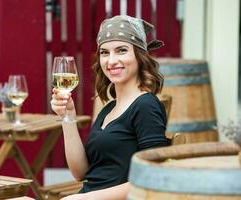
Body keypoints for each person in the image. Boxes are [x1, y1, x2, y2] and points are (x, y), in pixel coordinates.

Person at [50, 15, 169, 200]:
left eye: (121, 50)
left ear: (140, 56)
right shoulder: (110, 109)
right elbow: (80, 173)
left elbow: (154, 177)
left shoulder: (145, 106)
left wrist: (84, 199)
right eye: (104, 52)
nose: (111, 61)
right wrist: (67, 117)